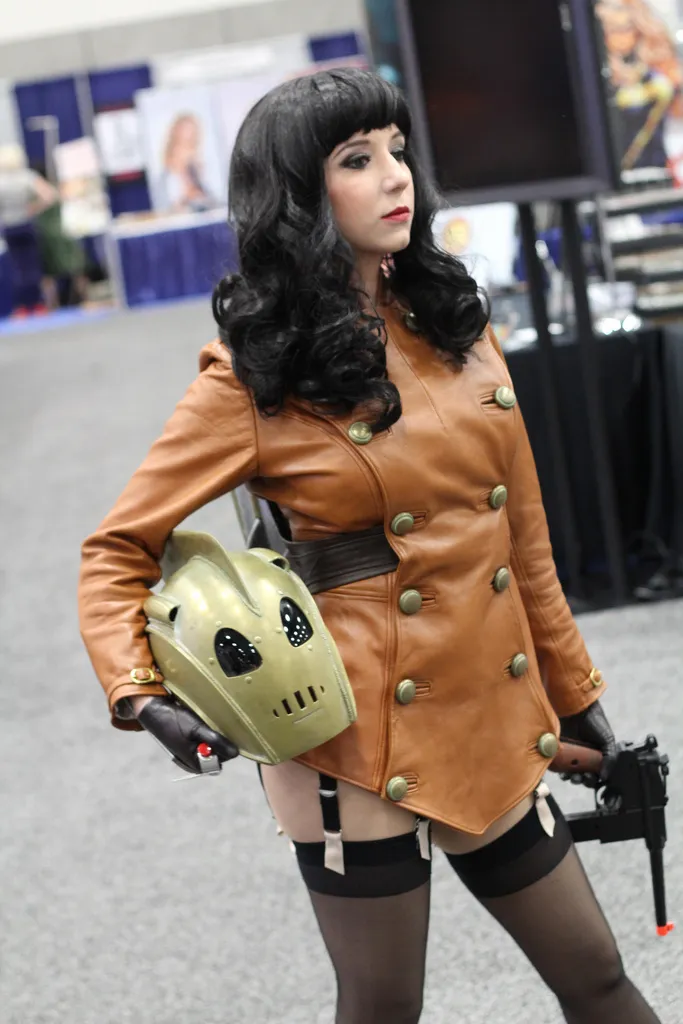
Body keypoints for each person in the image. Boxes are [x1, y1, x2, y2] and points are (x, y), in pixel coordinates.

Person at [78, 68, 661, 1023]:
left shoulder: (455, 325)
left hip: (487, 707)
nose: (395, 176)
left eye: (397, 150)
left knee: (596, 974)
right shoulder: (254, 376)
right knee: (383, 1007)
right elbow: (116, 549)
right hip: (350, 734)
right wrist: (140, 693)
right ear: (298, 197)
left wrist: (576, 693)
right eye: (356, 159)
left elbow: (519, 543)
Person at [0, 142, 58, 317]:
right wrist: (34, 208)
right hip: (26, 224)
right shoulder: (27, 177)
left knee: (17, 267)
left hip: (9, 227)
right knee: (32, 264)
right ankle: (38, 304)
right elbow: (49, 195)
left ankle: (22, 307)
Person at [156, 113, 216, 213]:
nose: (185, 153)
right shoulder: (166, 180)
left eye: (189, 144)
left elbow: (214, 203)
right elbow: (163, 210)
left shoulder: (199, 173)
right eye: (181, 144)